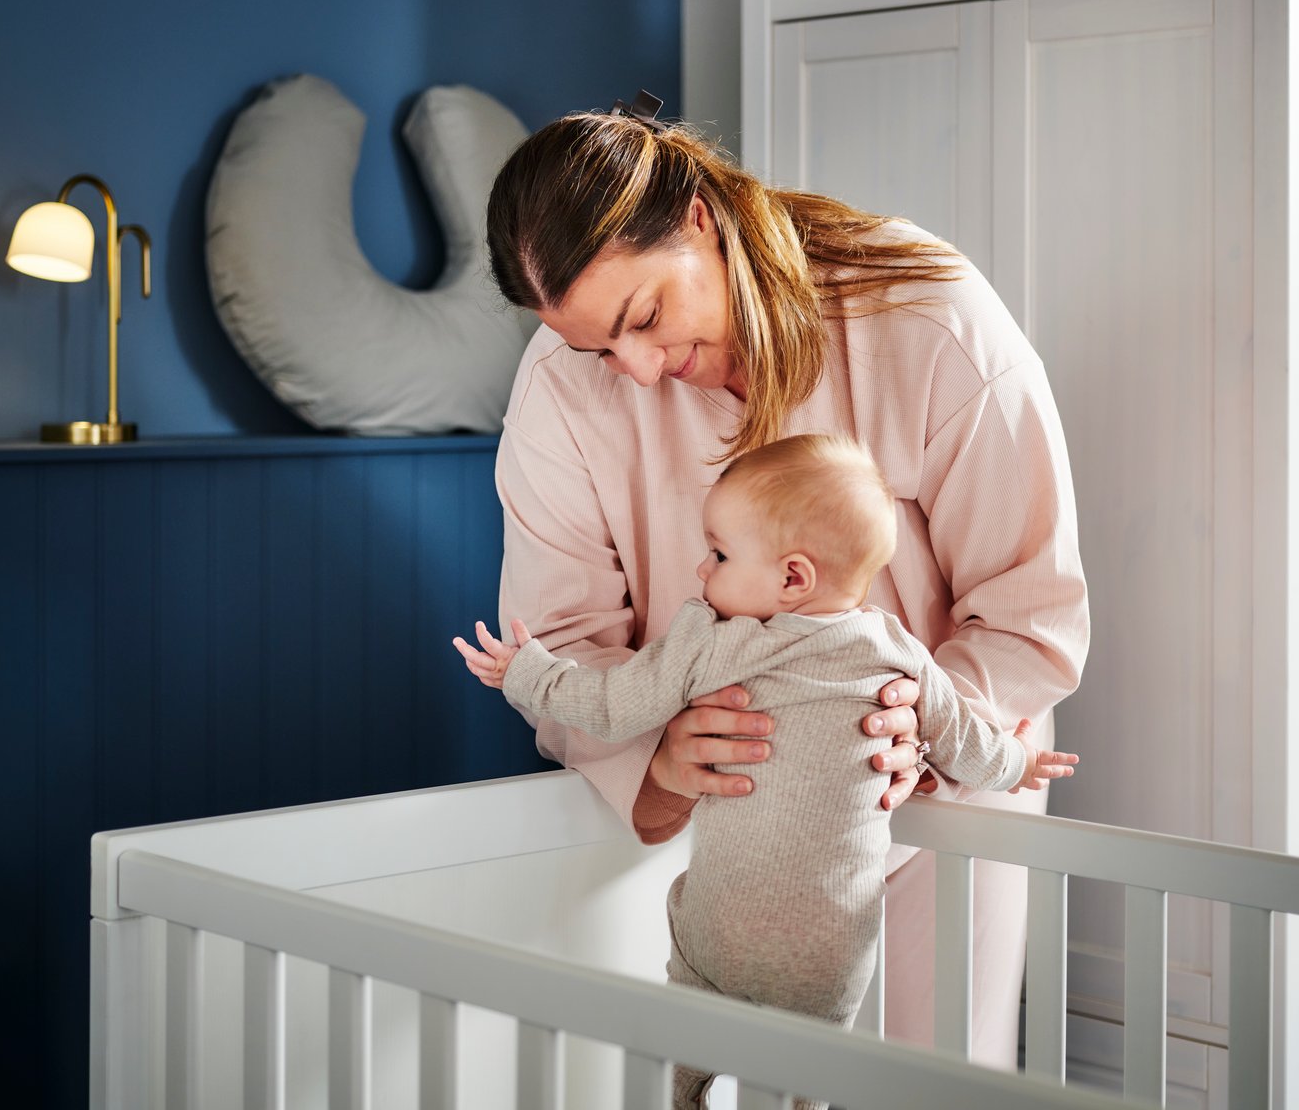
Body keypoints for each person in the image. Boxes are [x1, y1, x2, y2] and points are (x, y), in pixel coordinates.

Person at [485, 99, 1089, 1064]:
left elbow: (1028, 603)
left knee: (934, 1075)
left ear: (697, 219)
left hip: (932, 788)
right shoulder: (562, 389)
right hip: (734, 821)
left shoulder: (927, 317)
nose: (634, 371)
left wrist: (926, 725)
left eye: (645, 317)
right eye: (600, 347)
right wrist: (662, 759)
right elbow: (559, 639)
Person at [455, 433, 1078, 1110]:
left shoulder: (713, 643)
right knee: (805, 1086)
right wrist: (1022, 763)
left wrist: (526, 673)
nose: (701, 570)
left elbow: (608, 707)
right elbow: (967, 746)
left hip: (714, 936)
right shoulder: (897, 652)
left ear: (792, 577)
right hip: (829, 956)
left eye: (719, 554)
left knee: (685, 1071)